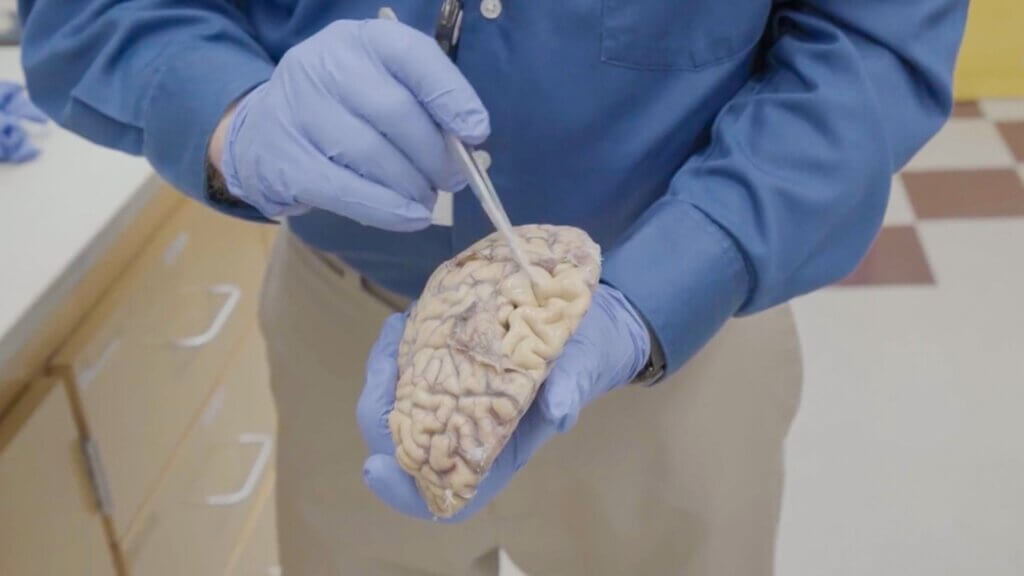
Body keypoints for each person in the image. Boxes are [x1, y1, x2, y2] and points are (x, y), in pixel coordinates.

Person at [18, 1, 968, 574]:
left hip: (683, 358)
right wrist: (232, 115)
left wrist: (665, 287)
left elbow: (868, 42)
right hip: (338, 340)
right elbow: (91, 13)